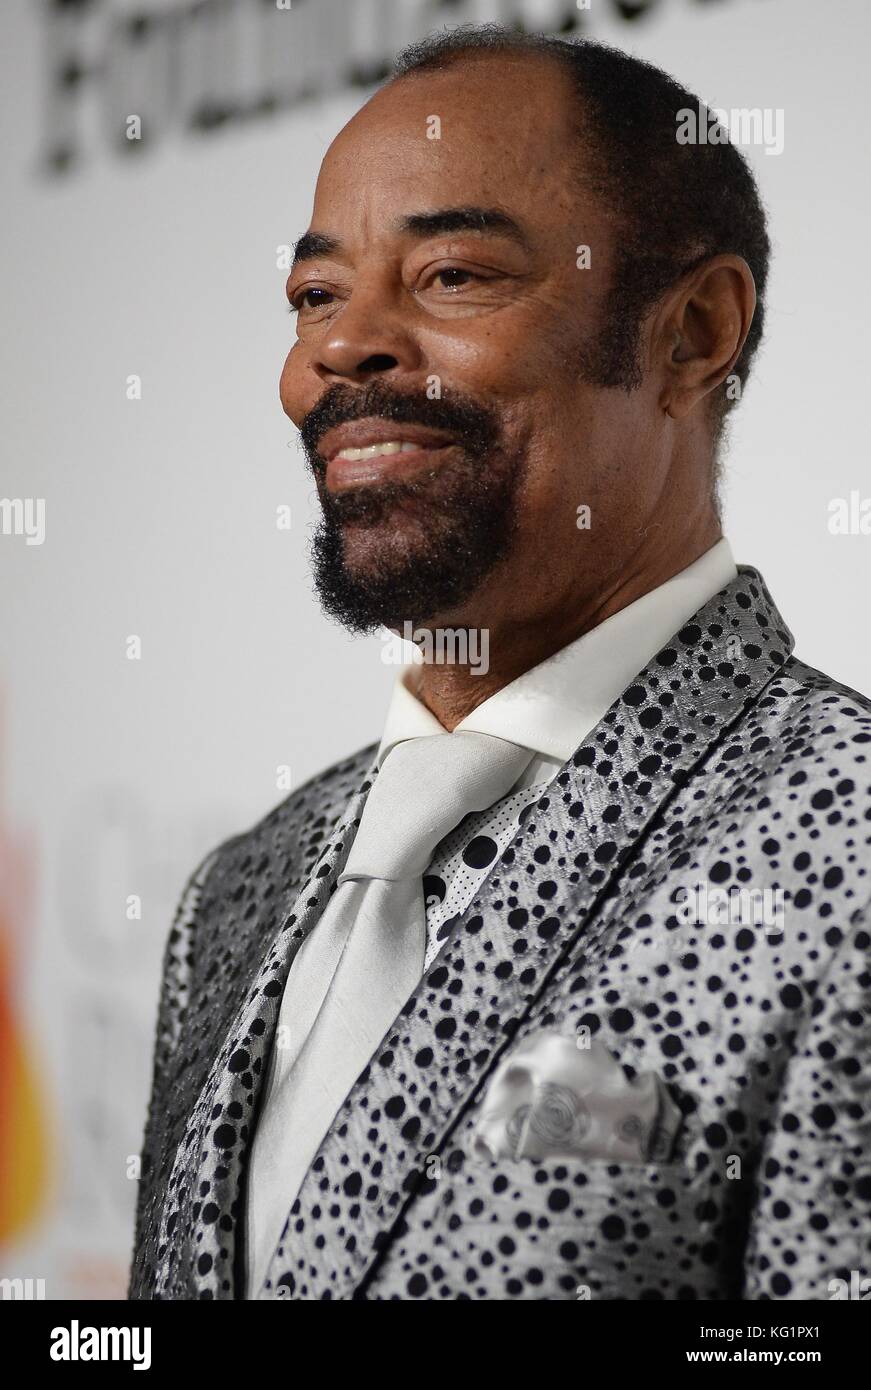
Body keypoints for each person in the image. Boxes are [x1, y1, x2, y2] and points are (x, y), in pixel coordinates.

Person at [129, 28, 871, 1301]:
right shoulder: (236, 893)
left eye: (452, 274)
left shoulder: (847, 840)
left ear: (692, 333)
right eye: (315, 295)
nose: (339, 351)